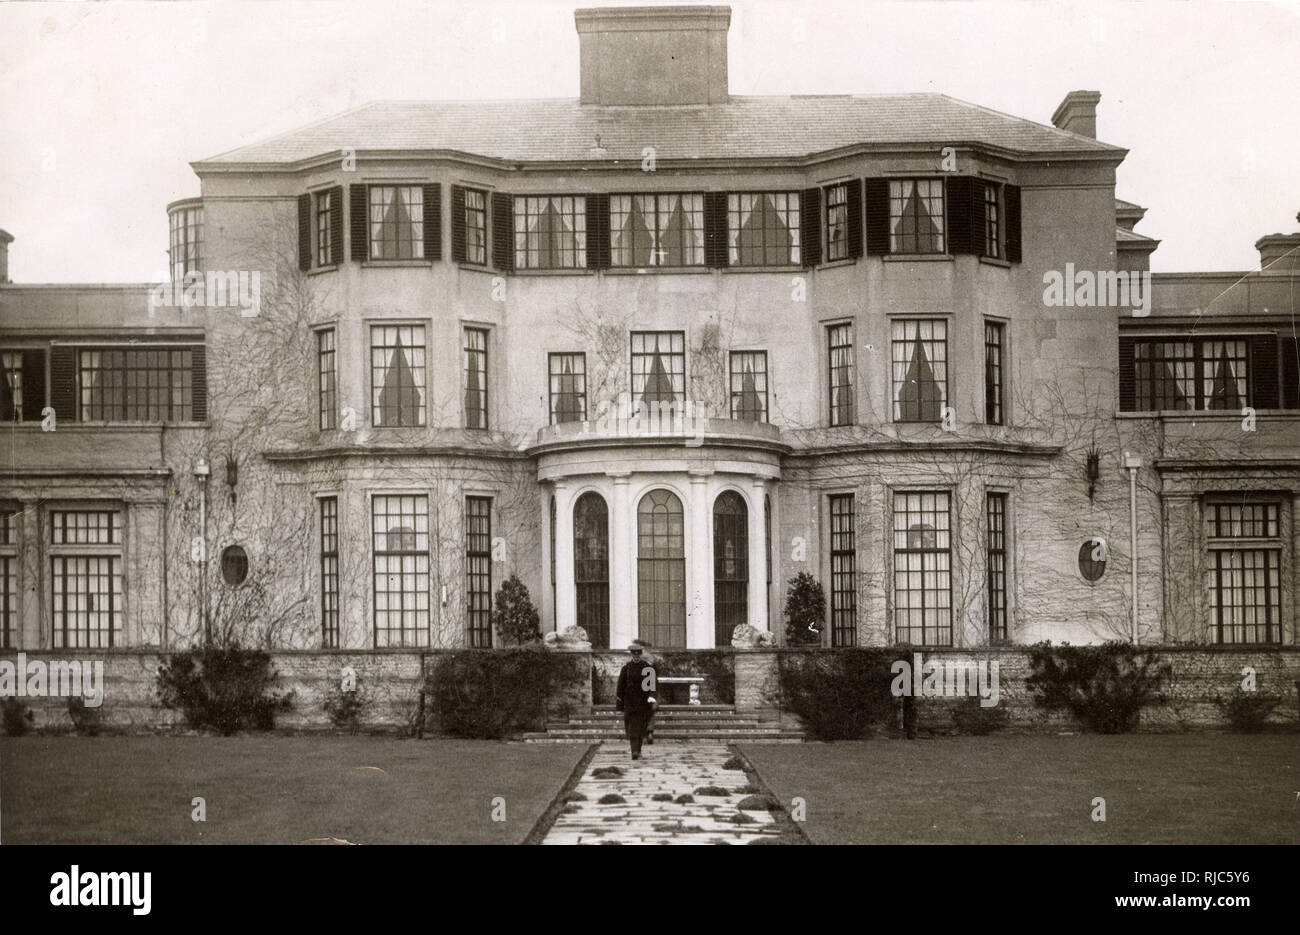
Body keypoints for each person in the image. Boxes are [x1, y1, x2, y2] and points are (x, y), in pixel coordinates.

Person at [615, 641, 657, 760]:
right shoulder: (626, 669)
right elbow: (620, 687)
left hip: (643, 703)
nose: (636, 657)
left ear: (641, 654)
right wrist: (619, 706)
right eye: (634, 654)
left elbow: (653, 685)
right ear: (631, 655)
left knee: (641, 727)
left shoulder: (647, 668)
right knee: (632, 727)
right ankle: (634, 751)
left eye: (638, 654)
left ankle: (638, 750)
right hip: (630, 703)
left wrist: (652, 696)